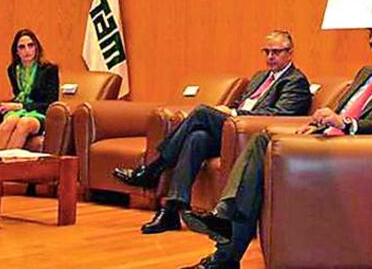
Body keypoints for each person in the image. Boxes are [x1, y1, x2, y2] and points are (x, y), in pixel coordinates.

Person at [180, 31, 372, 269]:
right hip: (324, 136)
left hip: (352, 148)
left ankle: (224, 239)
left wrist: (345, 123)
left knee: (255, 150)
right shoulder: (367, 73)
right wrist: (318, 122)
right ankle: (225, 235)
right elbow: (340, 109)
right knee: (261, 145)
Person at [113, 30, 312, 235]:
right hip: (234, 130)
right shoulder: (260, 77)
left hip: (252, 135)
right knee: (196, 138)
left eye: (276, 52)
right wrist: (231, 109)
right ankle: (171, 211)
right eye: (267, 52)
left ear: (290, 53)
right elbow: (242, 102)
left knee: (201, 112)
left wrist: (233, 113)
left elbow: (279, 114)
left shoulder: (295, 81)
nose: (270, 57)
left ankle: (153, 170)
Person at [0, 29, 59, 151]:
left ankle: (6, 161)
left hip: (39, 113)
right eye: (22, 47)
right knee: (9, 121)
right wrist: (10, 105)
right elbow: (18, 95)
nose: (27, 50)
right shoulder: (13, 70)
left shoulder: (49, 70)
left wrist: (20, 106)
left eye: (31, 45)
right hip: (20, 112)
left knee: (24, 123)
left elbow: (51, 104)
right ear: (17, 52)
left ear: (37, 48)